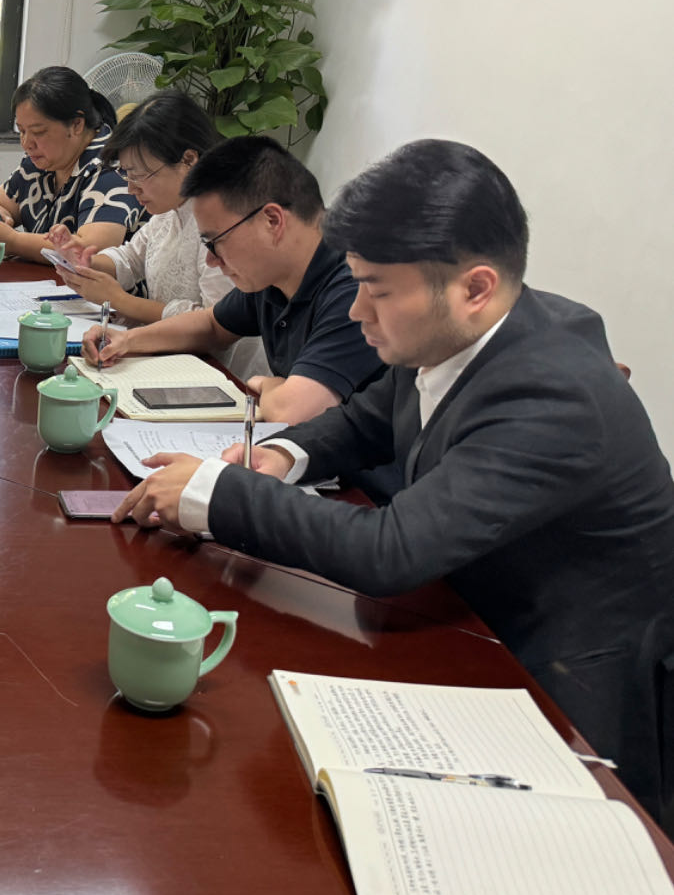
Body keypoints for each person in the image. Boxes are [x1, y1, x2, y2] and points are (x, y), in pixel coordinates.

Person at [112, 140, 674, 826]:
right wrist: (280, 457)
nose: (356, 312)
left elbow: (390, 552)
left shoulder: (552, 394)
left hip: (563, 692)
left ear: (476, 288)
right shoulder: (451, 333)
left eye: (376, 291)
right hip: (461, 618)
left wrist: (216, 494)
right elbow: (364, 421)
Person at [81, 135, 380, 423]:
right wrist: (127, 341)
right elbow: (212, 325)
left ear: (272, 220)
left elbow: (292, 411)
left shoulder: (356, 287)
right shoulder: (272, 274)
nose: (211, 260)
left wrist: (269, 386)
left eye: (215, 242)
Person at [49, 89, 232, 324]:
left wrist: (119, 299)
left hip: (203, 349)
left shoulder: (224, 222)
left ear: (188, 160)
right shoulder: (170, 210)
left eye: (139, 175)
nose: (131, 189)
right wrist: (85, 262)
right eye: (127, 174)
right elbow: (131, 258)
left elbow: (217, 322)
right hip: (164, 343)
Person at [0, 66, 139, 262]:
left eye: (38, 132)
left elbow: (90, 250)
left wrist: (13, 241)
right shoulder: (40, 162)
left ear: (77, 125)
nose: (27, 143)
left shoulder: (112, 168)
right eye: (22, 131)